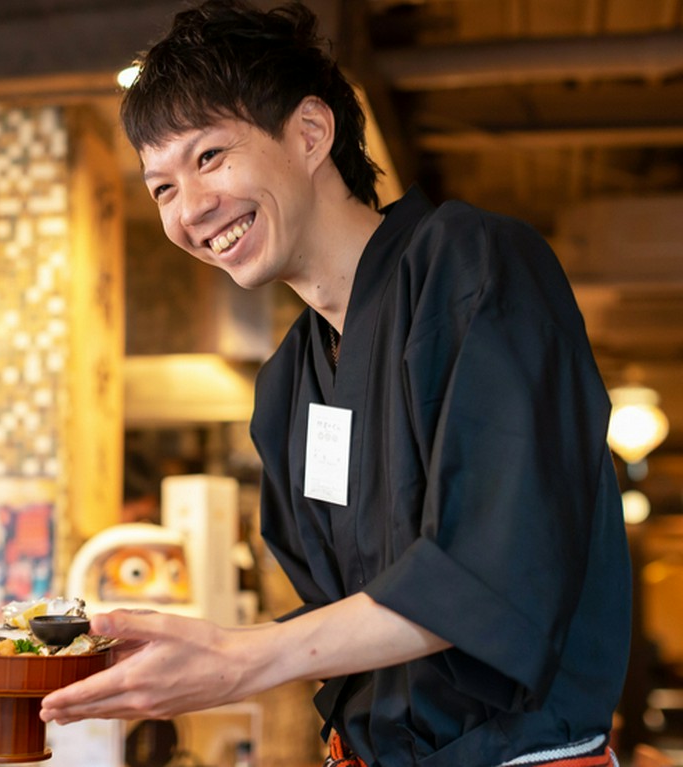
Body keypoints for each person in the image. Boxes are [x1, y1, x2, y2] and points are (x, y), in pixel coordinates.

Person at [39, 2, 632, 765]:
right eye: (160, 188)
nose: (189, 209)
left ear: (310, 133)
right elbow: (344, 618)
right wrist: (201, 657)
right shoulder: (288, 384)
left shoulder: (473, 266)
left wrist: (240, 656)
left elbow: (491, 572)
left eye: (211, 155)